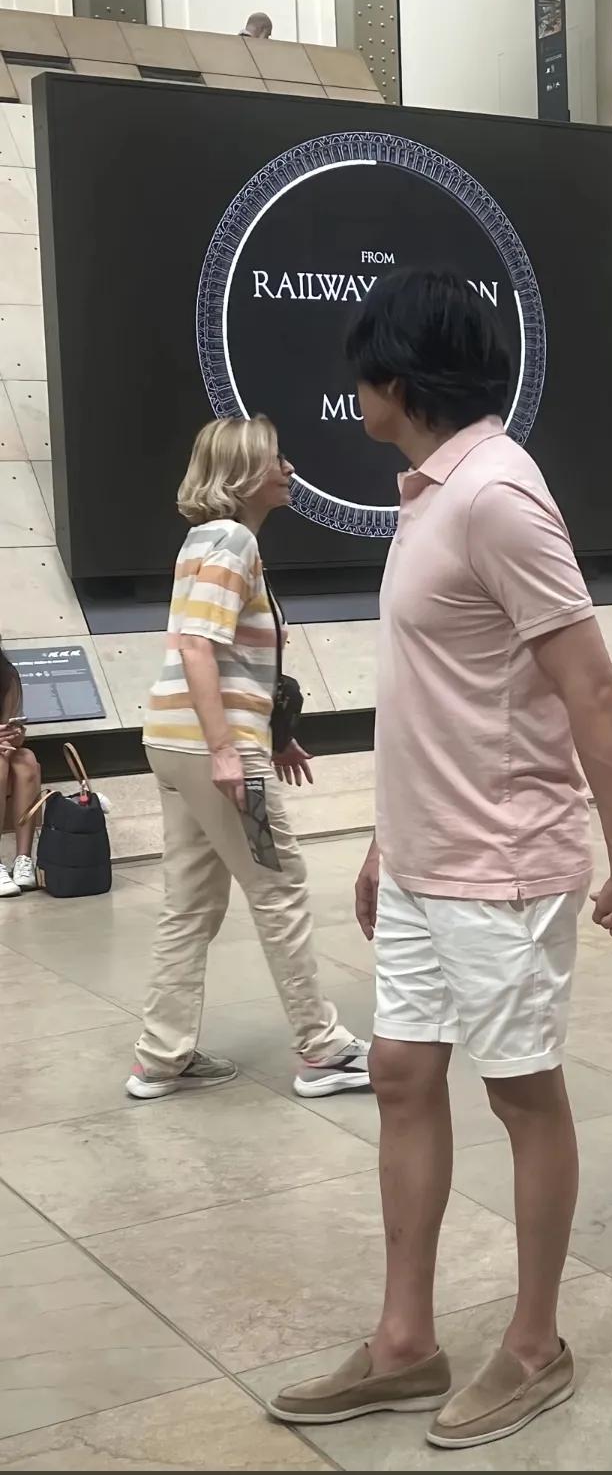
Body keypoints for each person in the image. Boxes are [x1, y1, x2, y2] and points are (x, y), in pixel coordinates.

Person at [270, 270, 612, 1447]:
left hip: (502, 859)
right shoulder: (431, 496)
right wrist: (387, 840)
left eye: (364, 373)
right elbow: (438, 693)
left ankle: (536, 1342)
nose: (355, 393)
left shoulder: (497, 493)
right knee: (403, 1072)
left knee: (519, 1089)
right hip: (425, 857)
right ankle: (406, 1341)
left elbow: (589, 686)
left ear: (401, 381)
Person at [128, 415, 370, 1100]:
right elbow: (198, 649)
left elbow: (224, 655)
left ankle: (160, 1057)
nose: (288, 469)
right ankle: (323, 1050)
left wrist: (271, 734)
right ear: (242, 474)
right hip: (216, 758)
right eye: (275, 459)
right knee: (279, 887)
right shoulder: (233, 541)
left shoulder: (203, 541)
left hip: (172, 746)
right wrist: (229, 752)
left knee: (189, 905)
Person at [0, 641, 41, 896]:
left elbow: (13, 733)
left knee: (27, 761)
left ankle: (23, 860)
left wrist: (14, 734)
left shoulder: (7, 675)